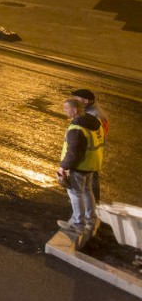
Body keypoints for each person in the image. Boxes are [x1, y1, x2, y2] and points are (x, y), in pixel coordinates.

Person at [57, 96, 104, 246]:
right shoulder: (93, 122)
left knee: (76, 194)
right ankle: (91, 219)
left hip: (79, 167)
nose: (64, 110)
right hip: (91, 165)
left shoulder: (77, 129)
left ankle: (78, 225)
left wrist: (63, 167)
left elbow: (73, 153)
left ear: (75, 110)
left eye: (66, 108)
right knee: (87, 191)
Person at [72, 88, 109, 207]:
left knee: (91, 176)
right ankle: (92, 203)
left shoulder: (95, 115)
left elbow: (95, 133)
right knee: (90, 176)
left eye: (77, 99)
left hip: (91, 149)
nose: (75, 101)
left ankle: (94, 203)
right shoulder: (90, 110)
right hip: (93, 148)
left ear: (86, 101)